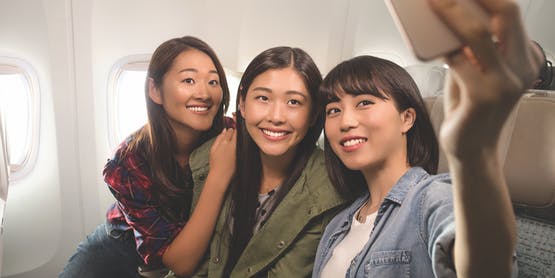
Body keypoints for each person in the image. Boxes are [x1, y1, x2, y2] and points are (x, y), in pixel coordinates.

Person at [312, 0, 542, 277]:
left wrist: (475, 153)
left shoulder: (434, 198)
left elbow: (487, 268)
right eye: (333, 110)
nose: (346, 122)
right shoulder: (337, 225)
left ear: (407, 118)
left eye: (364, 103)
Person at [59, 36, 237, 278]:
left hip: (198, 245)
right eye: (189, 80)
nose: (204, 93)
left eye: (213, 81)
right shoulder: (126, 163)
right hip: (124, 240)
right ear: (155, 90)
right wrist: (218, 176)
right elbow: (179, 263)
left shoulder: (231, 136)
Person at [174, 46, 348, 278]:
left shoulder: (330, 187)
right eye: (263, 98)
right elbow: (197, 266)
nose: (276, 117)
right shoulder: (210, 156)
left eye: (294, 102)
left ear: (314, 113)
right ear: (243, 104)